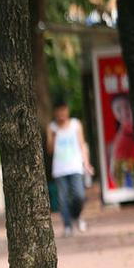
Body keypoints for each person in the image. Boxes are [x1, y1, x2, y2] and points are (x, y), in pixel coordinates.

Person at [47, 97, 94, 237]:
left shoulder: (75, 124)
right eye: (58, 111)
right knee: (63, 199)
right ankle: (67, 226)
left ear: (67, 110)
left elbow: (82, 144)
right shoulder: (51, 127)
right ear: (55, 112)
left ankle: (77, 216)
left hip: (75, 167)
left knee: (79, 195)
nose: (61, 113)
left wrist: (86, 162)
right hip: (60, 169)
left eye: (63, 110)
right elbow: (49, 150)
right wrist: (53, 137)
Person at [108, 94, 134, 188]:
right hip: (128, 172)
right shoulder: (121, 134)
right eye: (118, 109)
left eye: (127, 106)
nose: (124, 112)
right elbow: (113, 171)